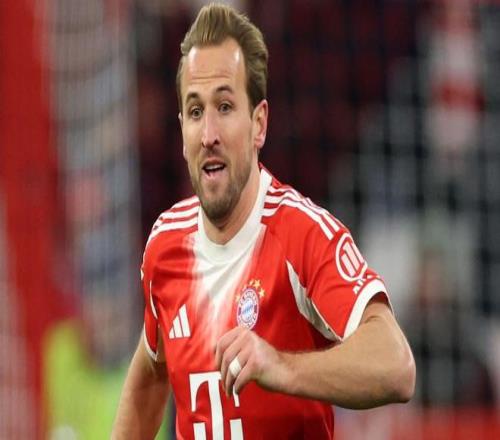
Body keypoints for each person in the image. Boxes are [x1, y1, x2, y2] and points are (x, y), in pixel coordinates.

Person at [112, 3, 416, 439]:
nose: (209, 134)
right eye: (195, 112)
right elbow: (150, 371)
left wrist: (279, 365)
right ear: (182, 131)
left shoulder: (303, 235)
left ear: (259, 124)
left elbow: (396, 367)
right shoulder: (165, 244)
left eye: (225, 107)